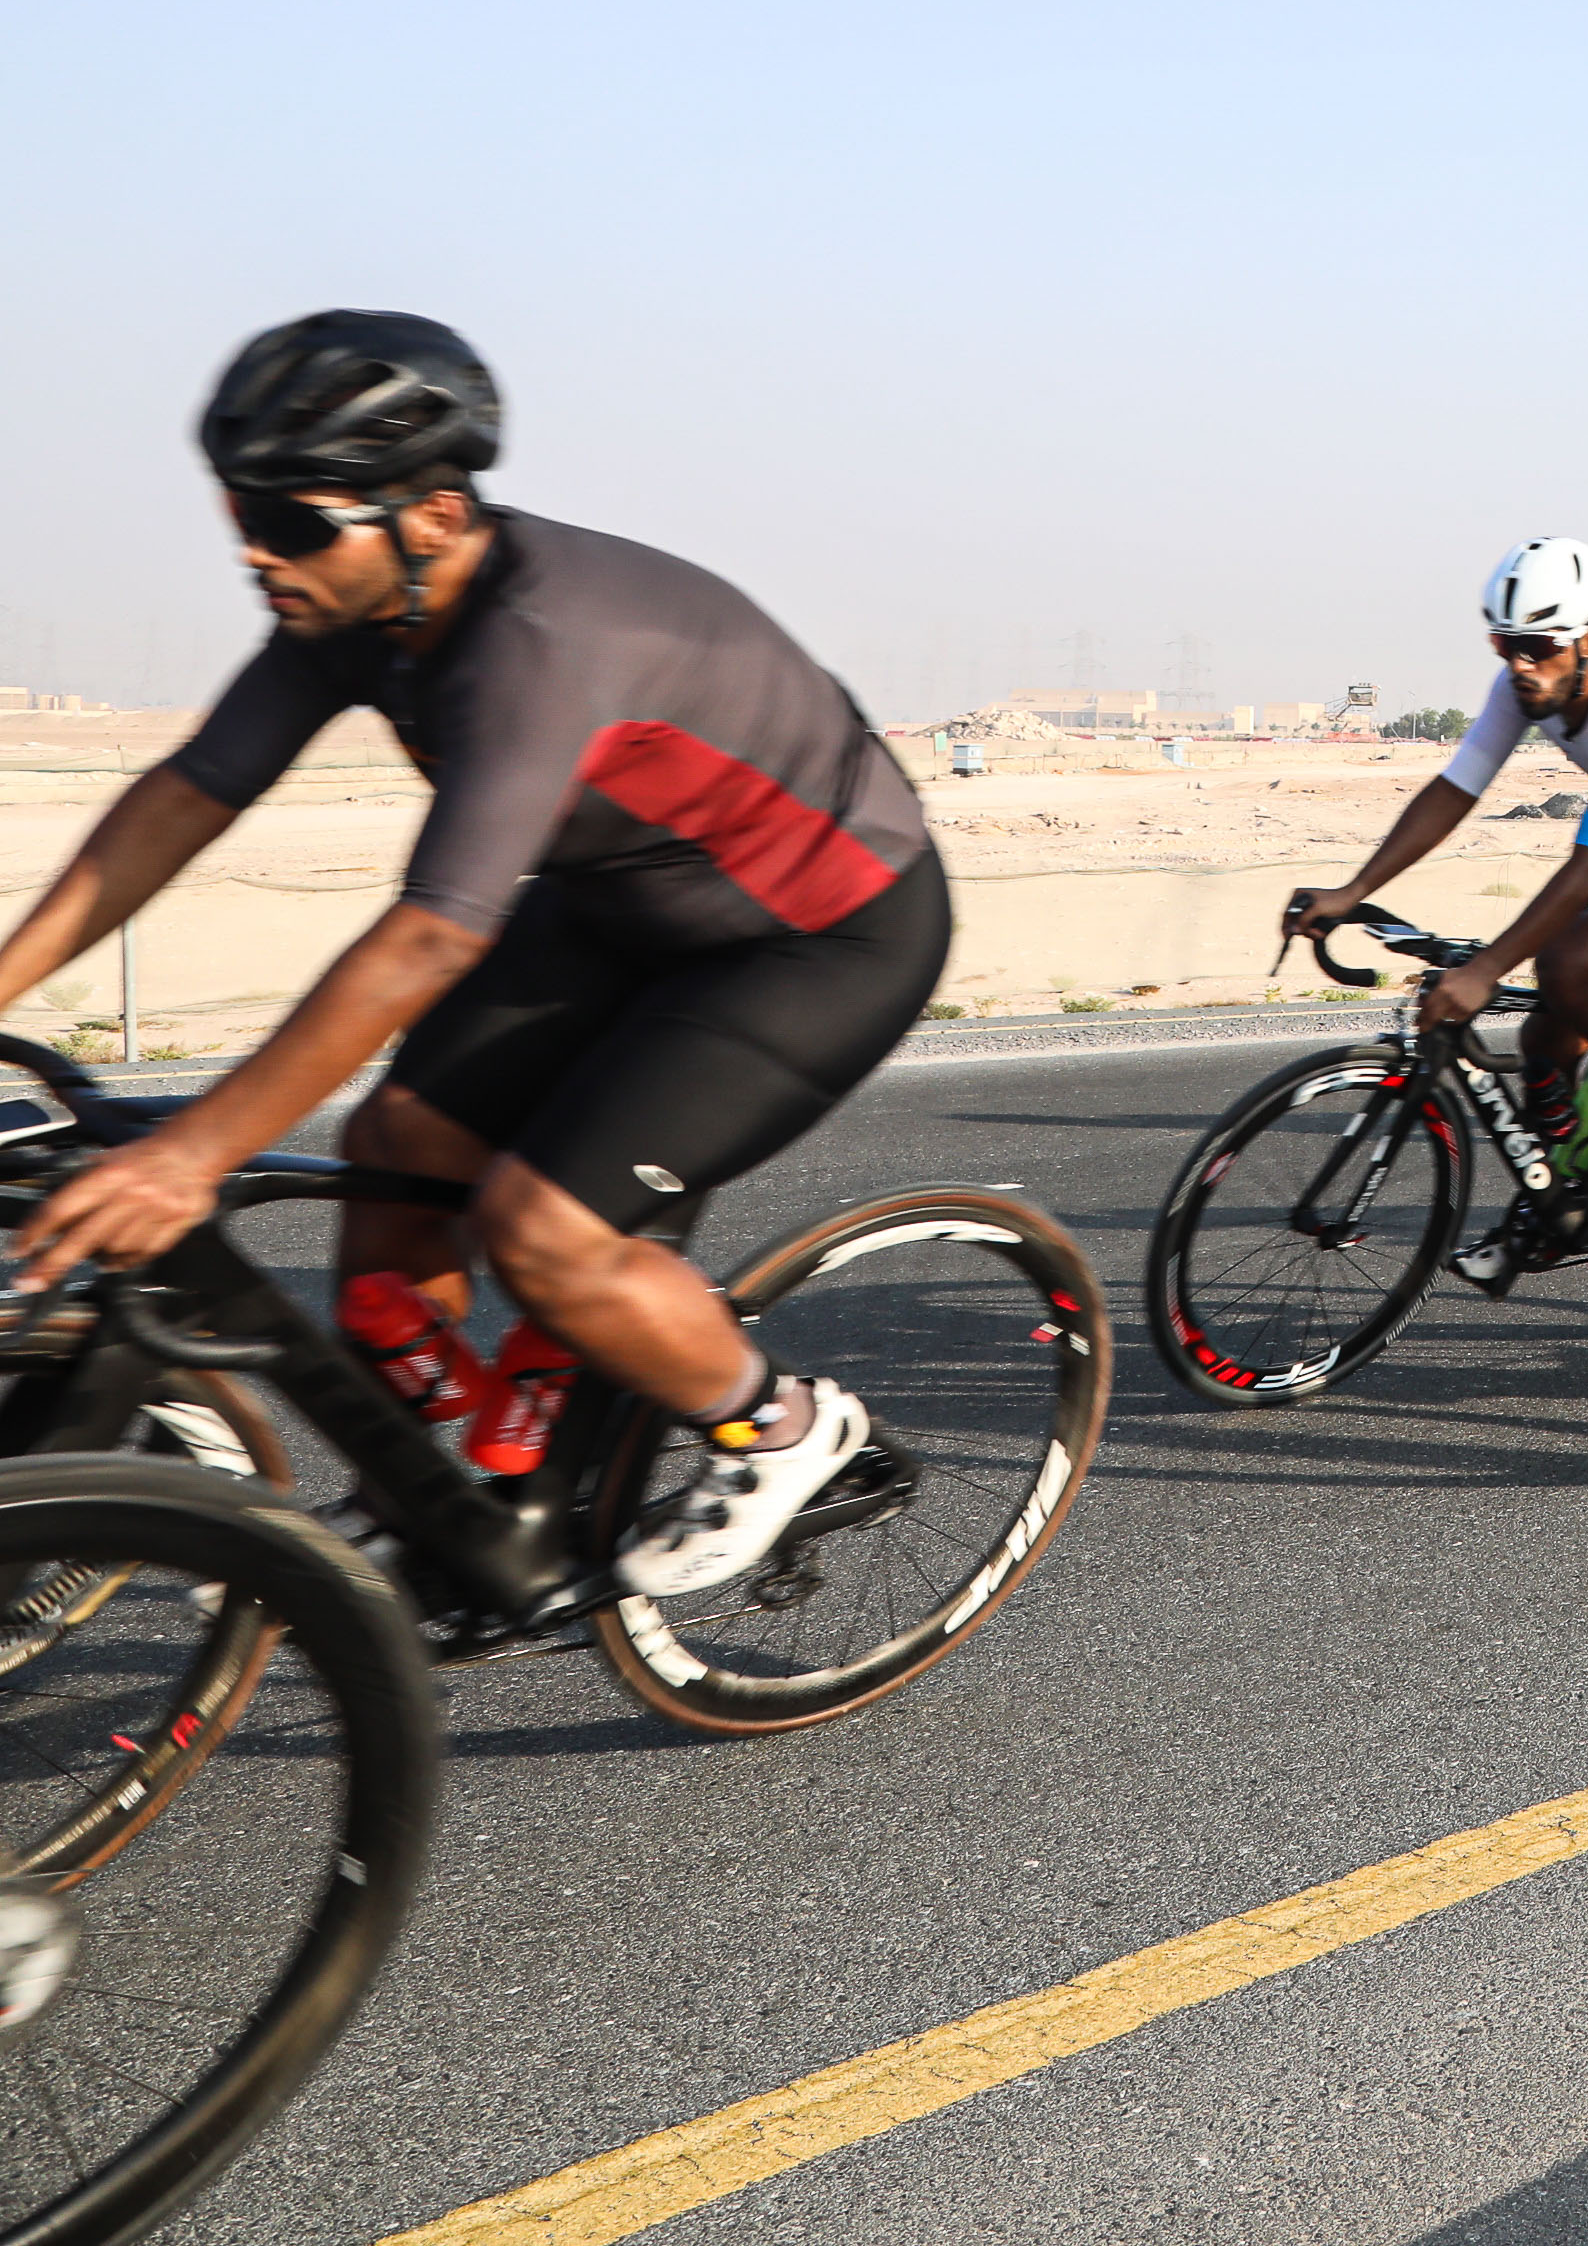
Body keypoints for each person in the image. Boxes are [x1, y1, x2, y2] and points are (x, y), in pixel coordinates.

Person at [2, 313, 934, 1598]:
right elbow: (187, 794)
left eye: (295, 524)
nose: (260, 555)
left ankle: (783, 1425)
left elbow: (435, 929)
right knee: (395, 1148)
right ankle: (428, 1492)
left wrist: (196, 1151)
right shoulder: (350, 611)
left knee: (544, 1236)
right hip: (616, 906)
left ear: (432, 515)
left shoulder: (538, 642)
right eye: (245, 519)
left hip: (817, 937)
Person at [1286, 537, 1588, 1203]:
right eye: (1505, 644)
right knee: (1544, 1032)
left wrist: (1486, 970)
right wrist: (1354, 890)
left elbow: (1587, 865)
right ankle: (1563, 1195)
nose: (1524, 665)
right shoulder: (1522, 687)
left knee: (1566, 967)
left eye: (1542, 647)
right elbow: (1454, 791)